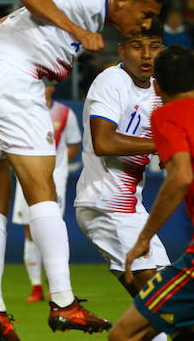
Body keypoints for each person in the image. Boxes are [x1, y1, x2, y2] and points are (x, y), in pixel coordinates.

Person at [0, 0, 168, 339]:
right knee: (43, 193)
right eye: (145, 13)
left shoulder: (85, 8)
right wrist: (78, 32)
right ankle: (64, 302)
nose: (145, 23)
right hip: (12, 79)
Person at [74, 22, 170, 340]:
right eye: (136, 46)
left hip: (128, 207)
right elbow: (104, 143)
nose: (146, 55)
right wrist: (163, 142)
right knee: (167, 301)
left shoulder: (159, 88)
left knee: (152, 312)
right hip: (106, 203)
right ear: (121, 50)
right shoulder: (111, 81)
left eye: (154, 47)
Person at [108, 46, 194, 341]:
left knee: (124, 335)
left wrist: (143, 238)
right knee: (185, 330)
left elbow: (181, 176)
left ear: (157, 86)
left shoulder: (167, 115)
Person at [12, 85, 81, 303]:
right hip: (25, 177)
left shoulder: (64, 113)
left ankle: (55, 285)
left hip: (54, 181)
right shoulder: (21, 111)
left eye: (45, 83)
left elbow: (73, 145)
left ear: (52, 86)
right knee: (30, 230)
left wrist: (57, 166)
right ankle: (36, 286)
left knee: (53, 229)